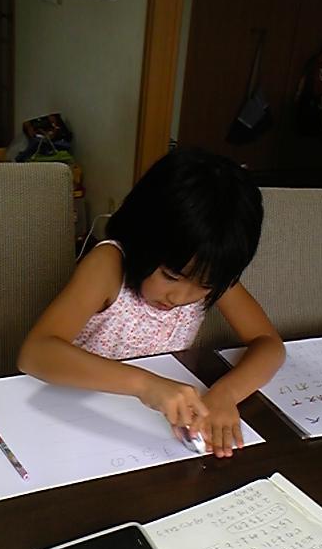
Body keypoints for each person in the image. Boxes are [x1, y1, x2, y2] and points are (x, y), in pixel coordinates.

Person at [18, 147, 285, 458]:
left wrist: (225, 394)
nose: (180, 298)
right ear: (142, 237)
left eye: (204, 286)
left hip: (148, 422)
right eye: (170, 276)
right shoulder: (108, 266)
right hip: (71, 412)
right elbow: (34, 353)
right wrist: (145, 386)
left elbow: (270, 344)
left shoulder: (208, 271)